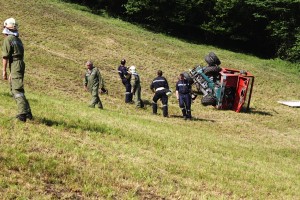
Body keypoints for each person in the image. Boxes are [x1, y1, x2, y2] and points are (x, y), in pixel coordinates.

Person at [2, 18, 32, 122]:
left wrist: (4, 71)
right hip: (19, 64)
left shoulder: (8, 39)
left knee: (17, 90)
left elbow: (5, 57)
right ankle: (27, 112)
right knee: (17, 88)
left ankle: (22, 114)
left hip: (15, 64)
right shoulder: (18, 40)